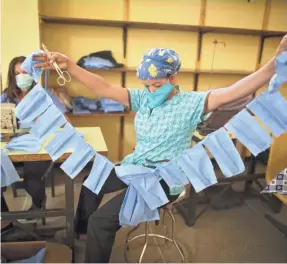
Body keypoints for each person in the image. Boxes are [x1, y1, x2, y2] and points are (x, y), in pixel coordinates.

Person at [35, 35, 287, 263]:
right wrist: (70, 66)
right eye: (146, 85)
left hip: (164, 177)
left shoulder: (193, 103)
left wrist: (275, 63)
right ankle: (83, 233)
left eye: (156, 85)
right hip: (136, 165)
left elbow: (234, 92)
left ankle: (94, 236)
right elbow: (104, 87)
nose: (151, 91)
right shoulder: (143, 98)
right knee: (93, 180)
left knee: (101, 221)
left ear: (172, 78)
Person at [1, 56, 68, 226]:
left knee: (32, 179)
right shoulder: (5, 97)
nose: (21, 76)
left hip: (38, 147)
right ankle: (6, 220)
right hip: (10, 146)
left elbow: (65, 121)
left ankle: (38, 204)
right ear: (12, 75)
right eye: (17, 73)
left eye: (25, 72)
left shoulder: (43, 94)